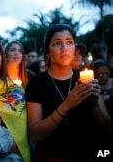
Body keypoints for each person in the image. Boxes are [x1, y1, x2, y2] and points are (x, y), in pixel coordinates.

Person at [25, 24, 111, 162]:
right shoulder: (36, 85)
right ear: (47, 51)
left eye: (69, 42)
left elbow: (106, 128)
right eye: (57, 43)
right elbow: (35, 135)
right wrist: (66, 105)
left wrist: (94, 103)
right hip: (51, 156)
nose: (64, 48)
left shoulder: (86, 78)